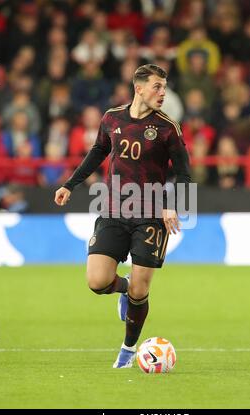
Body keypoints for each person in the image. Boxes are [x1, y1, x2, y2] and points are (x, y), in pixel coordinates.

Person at [54, 64, 191, 368]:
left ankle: (128, 350)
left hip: (152, 215)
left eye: (164, 88)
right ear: (138, 88)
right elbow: (97, 152)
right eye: (157, 87)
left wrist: (171, 204)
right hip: (114, 209)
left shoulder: (168, 127)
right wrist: (70, 184)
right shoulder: (111, 118)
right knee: (97, 281)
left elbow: (184, 172)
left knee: (141, 289)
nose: (162, 93)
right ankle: (122, 288)